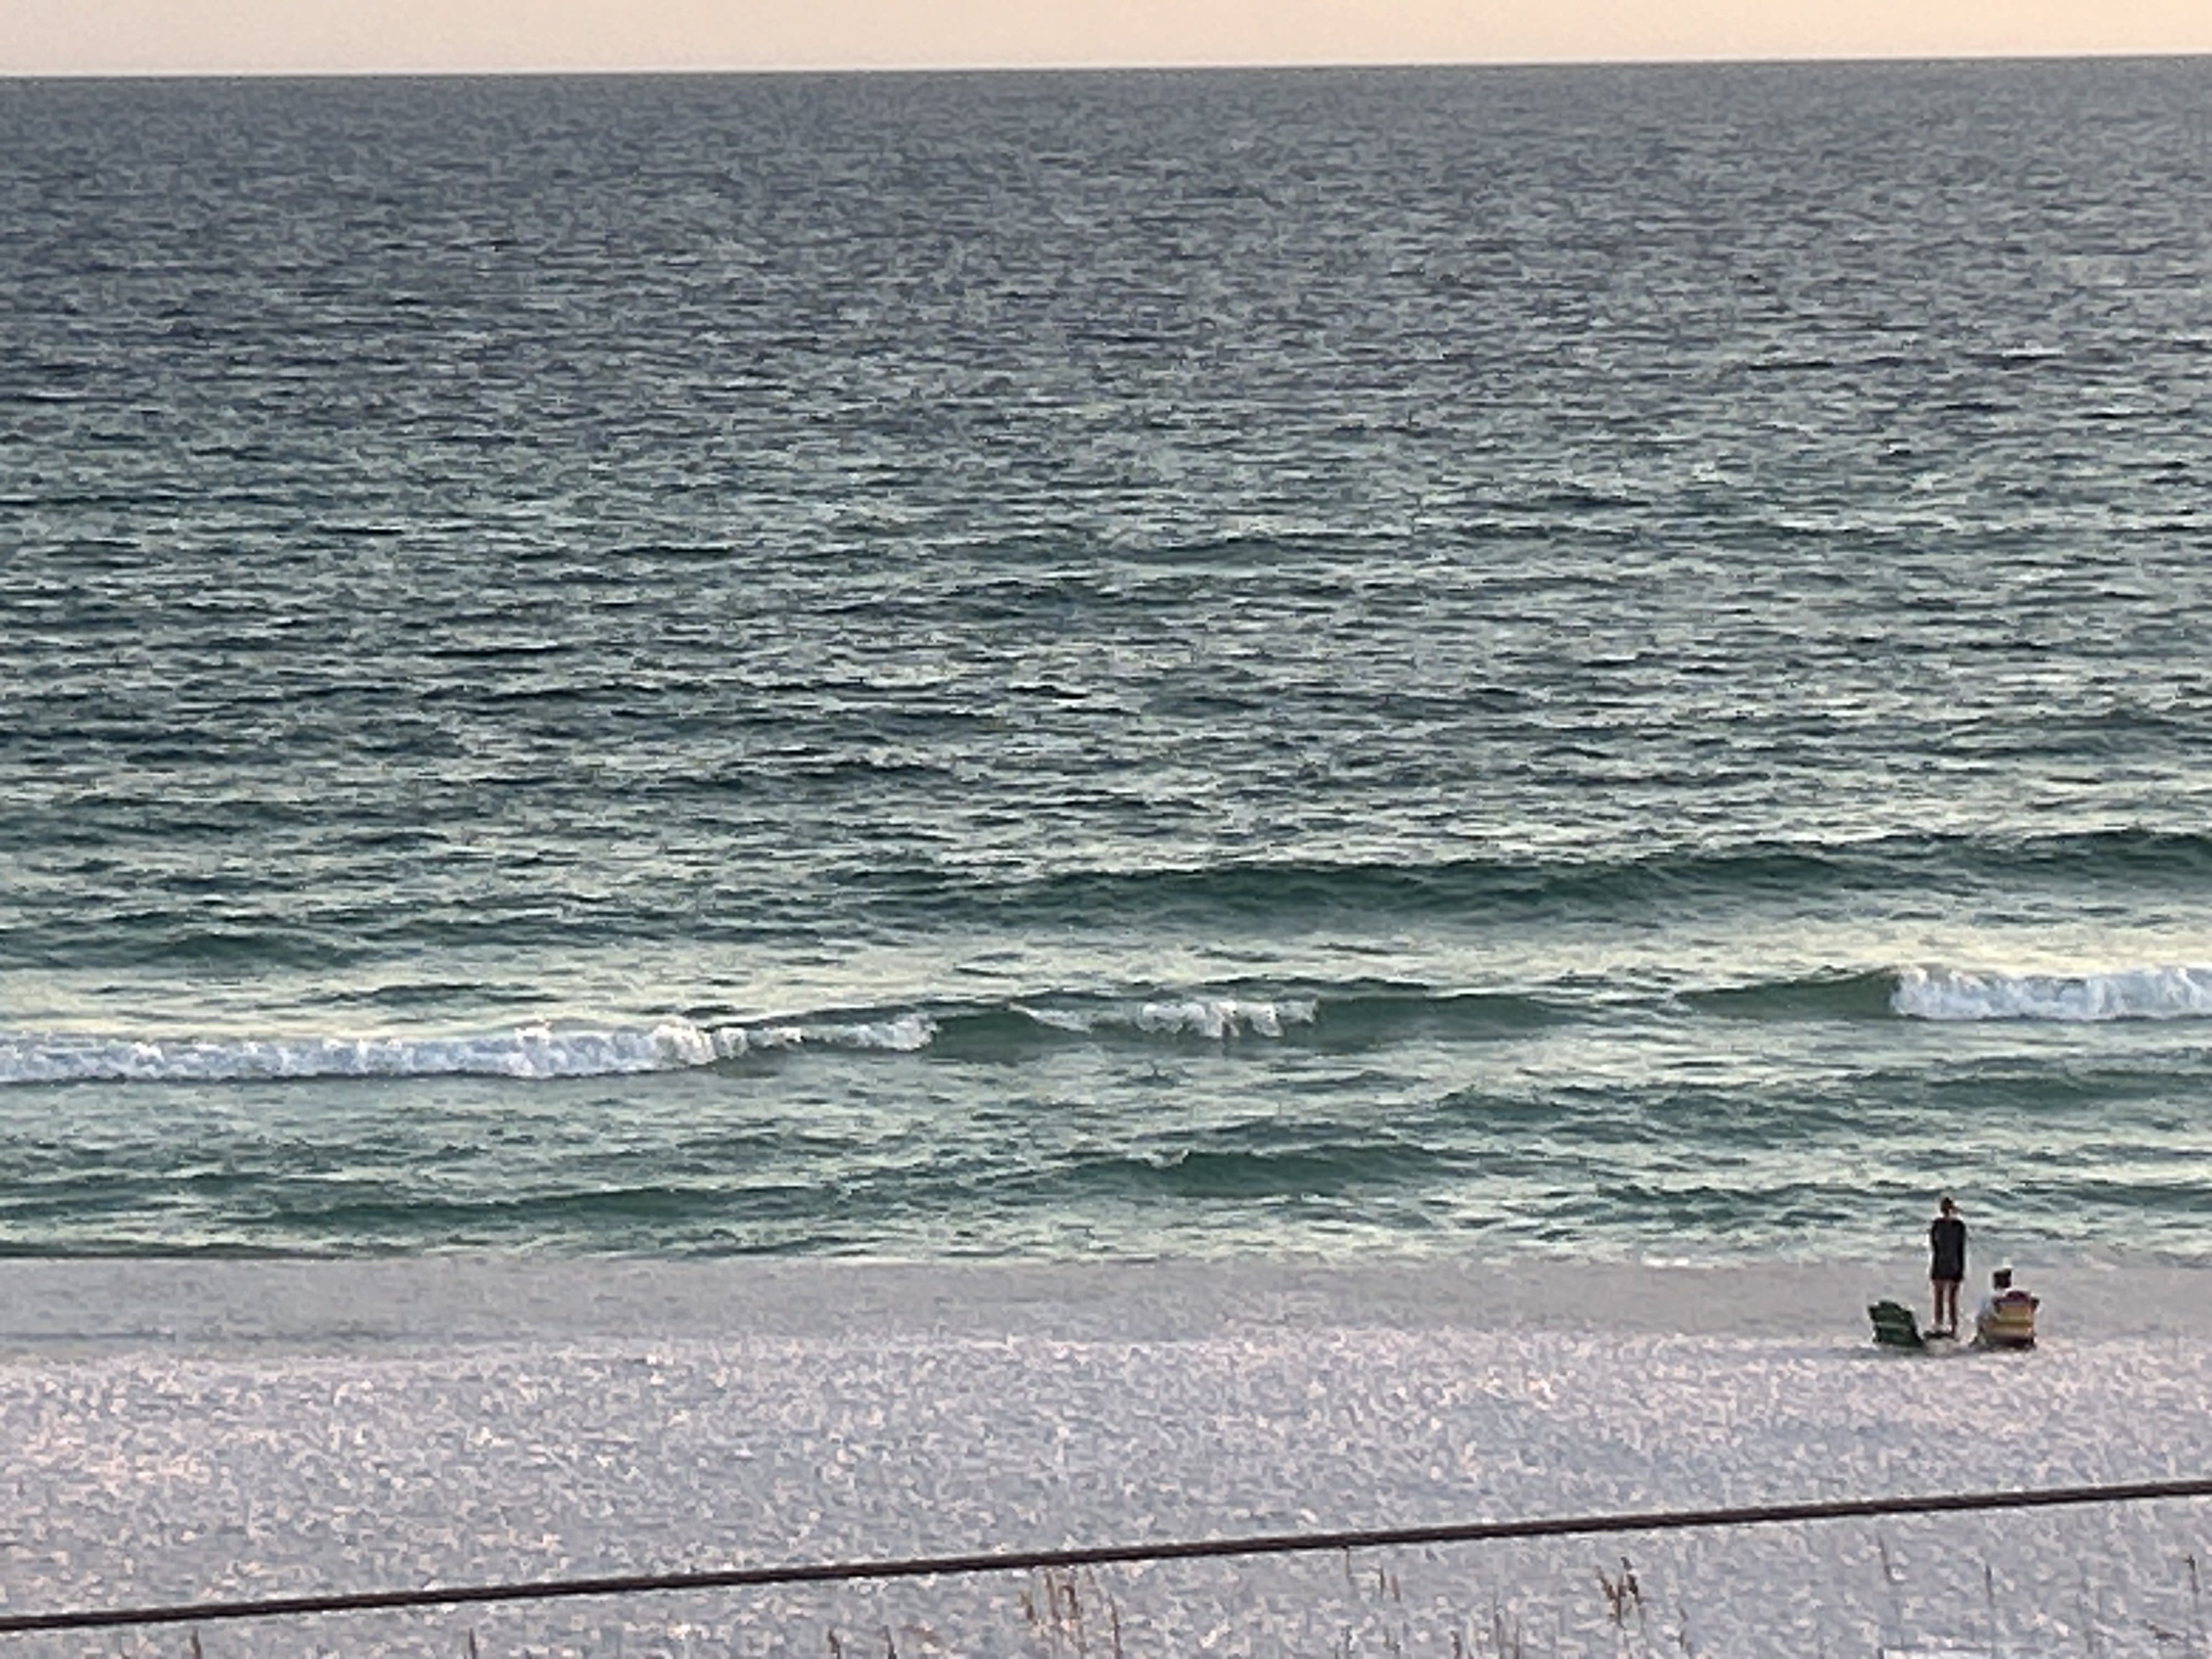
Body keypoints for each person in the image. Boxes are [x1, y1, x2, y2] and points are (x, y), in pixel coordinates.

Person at [1928, 1195, 1966, 1336]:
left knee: (1943, 1298)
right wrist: (1962, 1269)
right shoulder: (1959, 1226)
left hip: (1942, 1263)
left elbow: (1934, 1246)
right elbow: (1961, 1249)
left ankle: (1942, 1326)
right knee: (1950, 1299)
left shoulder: (1937, 1225)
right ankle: (1951, 1328)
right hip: (1951, 1264)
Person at [1974, 1266, 2039, 1350]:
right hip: (2023, 1334)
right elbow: (2034, 1306)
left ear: (1995, 1283)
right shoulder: (2024, 1296)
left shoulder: (1991, 1298)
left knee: (1980, 1318)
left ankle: (1979, 1341)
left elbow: (1984, 1315)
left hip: (2000, 1336)